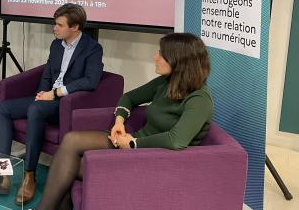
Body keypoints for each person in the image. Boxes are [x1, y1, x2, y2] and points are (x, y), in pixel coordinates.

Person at [34, 33, 213, 210]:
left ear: (178, 61)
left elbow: (176, 140)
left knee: (70, 166)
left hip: (156, 161)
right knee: (71, 141)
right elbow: (129, 98)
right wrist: (119, 122)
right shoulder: (167, 82)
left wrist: (133, 143)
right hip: (133, 145)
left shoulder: (200, 99)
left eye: (161, 54)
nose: (155, 57)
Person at [0, 3, 103, 205]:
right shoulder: (56, 45)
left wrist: (56, 93)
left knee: (36, 109)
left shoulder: (92, 48)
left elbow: (91, 80)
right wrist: (40, 93)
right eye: (55, 24)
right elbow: (47, 74)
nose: (54, 28)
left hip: (66, 103)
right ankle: (2, 173)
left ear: (75, 27)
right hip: (47, 98)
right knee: (1, 108)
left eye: (59, 25)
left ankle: (29, 175)